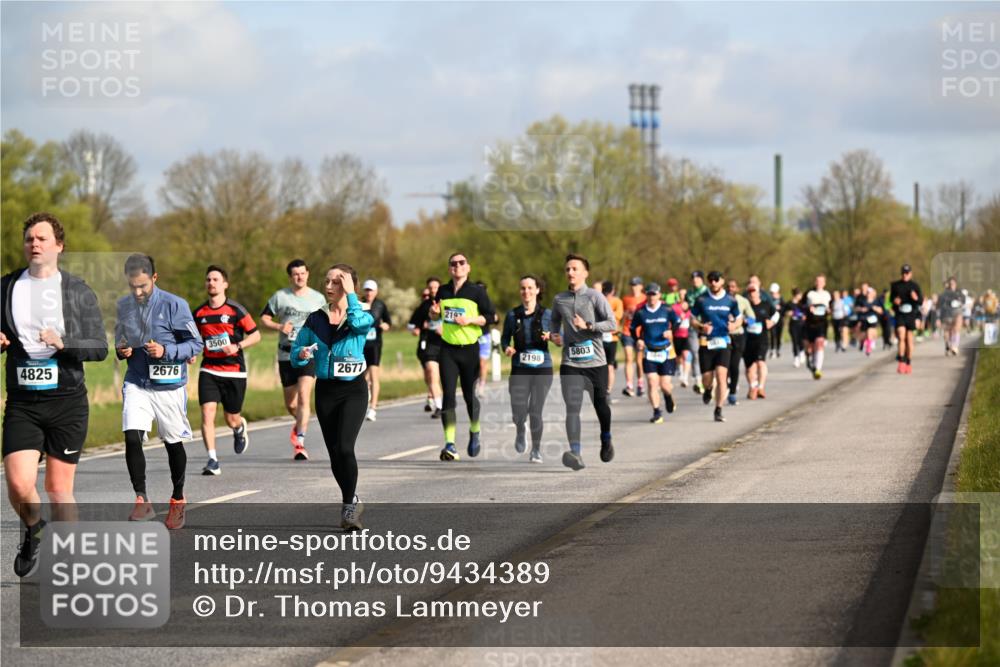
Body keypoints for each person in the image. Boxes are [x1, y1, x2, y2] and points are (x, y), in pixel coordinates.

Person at [2, 212, 108, 577]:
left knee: (59, 490)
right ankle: (35, 530)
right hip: (23, 402)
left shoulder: (76, 290)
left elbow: (99, 347)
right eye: (29, 238)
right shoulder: (7, 287)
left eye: (42, 239)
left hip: (66, 401)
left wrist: (65, 343)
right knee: (17, 483)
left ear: (59, 246)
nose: (34, 244)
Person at [115, 254, 204, 530]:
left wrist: (167, 351)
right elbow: (120, 340)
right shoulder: (123, 306)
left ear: (154, 278)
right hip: (137, 381)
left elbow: (196, 343)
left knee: (172, 442)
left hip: (169, 386)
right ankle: (141, 499)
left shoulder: (175, 305)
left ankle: (178, 498)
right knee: (131, 435)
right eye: (133, 286)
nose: (138, 292)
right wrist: (122, 349)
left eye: (143, 285)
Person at [290, 264, 373, 531]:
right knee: (335, 452)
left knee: (346, 447)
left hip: (353, 391)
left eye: (336, 282)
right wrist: (301, 353)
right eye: (327, 281)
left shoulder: (360, 315)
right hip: (326, 391)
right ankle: (351, 499)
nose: (328, 286)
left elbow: (361, 327)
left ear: (349, 286)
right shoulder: (315, 318)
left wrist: (351, 297)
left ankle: (349, 506)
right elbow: (295, 351)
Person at [191, 265, 261, 476]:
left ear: (225, 284)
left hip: (234, 371)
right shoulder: (199, 313)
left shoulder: (235, 310)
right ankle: (212, 459)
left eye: (215, 279)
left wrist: (237, 346)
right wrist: (192, 352)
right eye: (208, 280)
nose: (211, 283)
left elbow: (256, 335)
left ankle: (239, 428)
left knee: (231, 418)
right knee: (207, 413)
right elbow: (194, 339)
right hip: (209, 370)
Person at [550, 254, 616, 469]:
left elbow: (612, 324)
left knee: (601, 405)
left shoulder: (595, 297)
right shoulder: (560, 299)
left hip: (596, 362)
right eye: (567, 269)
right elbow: (554, 323)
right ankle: (575, 453)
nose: (570, 272)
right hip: (571, 362)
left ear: (585, 273)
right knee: (572, 408)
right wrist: (555, 336)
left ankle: (606, 438)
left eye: (575, 269)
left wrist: (589, 326)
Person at [431, 253, 495, 461]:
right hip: (448, 349)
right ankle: (450, 444)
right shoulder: (443, 290)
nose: (457, 266)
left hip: (470, 349)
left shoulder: (477, 291)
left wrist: (470, 320)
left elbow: (491, 317)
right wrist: (433, 313)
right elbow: (435, 315)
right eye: (453, 264)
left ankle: (474, 431)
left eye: (461, 263)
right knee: (448, 395)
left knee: (469, 396)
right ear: (449, 269)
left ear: (468, 267)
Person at [261, 259, 326, 460]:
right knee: (291, 404)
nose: (300, 277)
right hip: (286, 354)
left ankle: (300, 442)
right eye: (296, 274)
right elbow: (264, 318)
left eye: (303, 273)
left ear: (308, 274)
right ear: (290, 277)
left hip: (308, 354)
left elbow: (327, 322)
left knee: (305, 396)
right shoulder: (280, 297)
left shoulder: (318, 298)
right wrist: (280, 327)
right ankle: (298, 423)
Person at [501, 275, 554, 463]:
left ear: (538, 290)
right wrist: (507, 347)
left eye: (530, 288)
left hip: (543, 368)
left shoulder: (548, 315)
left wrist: (552, 337)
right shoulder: (512, 315)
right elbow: (504, 338)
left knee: (535, 410)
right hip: (520, 368)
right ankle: (520, 428)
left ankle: (536, 450)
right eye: (523, 288)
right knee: (518, 411)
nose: (526, 292)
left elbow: (559, 336)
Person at [691, 271, 742, 423]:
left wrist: (734, 325)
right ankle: (707, 389)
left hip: (724, 342)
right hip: (706, 343)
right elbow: (692, 319)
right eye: (710, 280)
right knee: (707, 379)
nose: (713, 282)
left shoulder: (730, 301)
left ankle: (718, 409)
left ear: (722, 281)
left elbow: (739, 318)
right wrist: (701, 327)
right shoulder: (702, 300)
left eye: (716, 280)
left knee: (721, 376)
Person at [630, 283, 680, 424]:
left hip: (666, 351)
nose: (652, 297)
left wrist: (671, 331)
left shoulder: (667, 309)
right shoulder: (641, 312)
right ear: (646, 295)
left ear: (659, 295)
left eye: (654, 294)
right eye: (649, 294)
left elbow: (677, 322)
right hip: (649, 351)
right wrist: (638, 339)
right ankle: (657, 412)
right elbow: (633, 328)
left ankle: (668, 396)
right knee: (652, 382)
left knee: (664, 385)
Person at [408, 277, 443, 418]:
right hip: (429, 345)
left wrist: (445, 329)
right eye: (431, 287)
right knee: (432, 373)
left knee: (443, 377)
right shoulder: (424, 306)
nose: (434, 290)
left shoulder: (448, 304)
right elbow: (411, 324)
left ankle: (443, 401)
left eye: (436, 287)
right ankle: (439, 406)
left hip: (446, 345)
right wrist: (416, 329)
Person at [360, 279, 392, 422]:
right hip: (360, 345)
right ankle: (363, 400)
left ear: (376, 291)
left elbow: (388, 322)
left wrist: (385, 325)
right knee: (361, 377)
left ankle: (372, 408)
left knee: (374, 375)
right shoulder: (358, 305)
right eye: (366, 290)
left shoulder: (380, 305)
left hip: (374, 345)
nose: (369, 293)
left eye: (371, 290)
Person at [743, 284, 776, 399]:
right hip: (747, 339)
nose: (752, 293)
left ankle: (761, 387)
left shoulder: (766, 305)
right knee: (749, 367)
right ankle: (753, 387)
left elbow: (776, 315)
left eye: (754, 291)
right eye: (750, 291)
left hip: (762, 339)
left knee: (760, 362)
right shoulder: (745, 306)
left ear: (759, 293)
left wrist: (771, 322)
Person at [725, 279, 753, 406]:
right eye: (729, 286)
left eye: (733, 286)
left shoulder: (743, 301)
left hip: (739, 336)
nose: (731, 288)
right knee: (724, 366)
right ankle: (727, 384)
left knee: (734, 365)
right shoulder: (721, 300)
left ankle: (732, 393)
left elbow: (752, 317)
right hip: (725, 336)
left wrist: (747, 321)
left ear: (737, 288)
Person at [890, 264, 923, 374]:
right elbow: (891, 300)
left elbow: (920, 302)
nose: (905, 275)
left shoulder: (915, 286)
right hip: (900, 314)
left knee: (909, 340)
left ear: (911, 273)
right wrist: (895, 301)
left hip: (911, 315)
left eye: (907, 273)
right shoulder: (895, 285)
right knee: (901, 335)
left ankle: (908, 362)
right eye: (903, 273)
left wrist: (916, 298)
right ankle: (901, 361)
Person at [620, 276, 646, 397]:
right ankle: (629, 385)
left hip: (640, 333)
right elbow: (621, 315)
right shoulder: (625, 299)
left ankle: (640, 384)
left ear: (641, 286)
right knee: (629, 358)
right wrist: (626, 314)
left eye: (636, 285)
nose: (634, 287)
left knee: (639, 360)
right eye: (632, 285)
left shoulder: (645, 298)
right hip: (627, 331)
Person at [802, 275, 832, 380]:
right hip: (810, 323)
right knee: (809, 348)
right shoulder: (809, 293)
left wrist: (829, 310)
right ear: (815, 282)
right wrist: (808, 308)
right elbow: (801, 305)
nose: (819, 283)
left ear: (824, 283)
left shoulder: (827, 294)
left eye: (821, 281)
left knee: (819, 343)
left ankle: (818, 369)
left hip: (822, 323)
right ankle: (809, 359)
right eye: (817, 281)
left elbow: (831, 306)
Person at [686, 270, 709, 393]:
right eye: (693, 279)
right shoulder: (689, 293)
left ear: (702, 280)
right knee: (695, 353)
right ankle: (698, 381)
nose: (695, 281)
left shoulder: (707, 292)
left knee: (706, 353)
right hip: (693, 326)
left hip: (706, 326)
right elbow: (685, 306)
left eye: (697, 279)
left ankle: (710, 379)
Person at [600, 280, 624, 396]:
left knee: (608, 365)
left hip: (612, 337)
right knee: (606, 365)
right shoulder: (601, 300)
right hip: (601, 337)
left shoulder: (615, 301)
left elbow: (618, 315)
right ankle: (606, 389)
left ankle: (607, 390)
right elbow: (617, 315)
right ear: (613, 290)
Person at [671, 288, 693, 387]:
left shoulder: (690, 307)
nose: (682, 296)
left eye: (684, 294)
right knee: (678, 357)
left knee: (686, 354)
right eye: (680, 294)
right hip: (676, 334)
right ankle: (680, 370)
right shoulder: (674, 307)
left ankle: (685, 377)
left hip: (687, 334)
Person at [855, 285, 884, 356]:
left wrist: (875, 308)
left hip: (872, 319)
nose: (868, 294)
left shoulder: (876, 301)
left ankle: (868, 348)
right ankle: (862, 342)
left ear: (873, 293)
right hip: (864, 319)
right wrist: (861, 309)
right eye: (868, 292)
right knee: (863, 335)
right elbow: (856, 308)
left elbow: (881, 310)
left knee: (869, 333)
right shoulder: (862, 301)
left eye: (870, 292)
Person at [939, 277, 964, 356]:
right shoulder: (945, 293)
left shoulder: (959, 292)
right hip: (947, 314)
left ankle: (954, 346)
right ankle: (947, 344)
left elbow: (964, 300)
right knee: (948, 331)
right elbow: (941, 304)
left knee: (956, 329)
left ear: (956, 284)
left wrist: (960, 301)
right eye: (950, 284)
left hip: (957, 312)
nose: (952, 285)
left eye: (953, 283)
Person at [788, 288, 806, 367]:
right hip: (793, 325)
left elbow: (806, 312)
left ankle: (802, 352)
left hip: (801, 325)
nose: (801, 296)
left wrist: (805, 316)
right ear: (796, 295)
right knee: (794, 341)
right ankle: (796, 358)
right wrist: (788, 313)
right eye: (800, 295)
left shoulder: (802, 304)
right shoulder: (789, 304)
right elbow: (783, 312)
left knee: (800, 340)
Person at [768, 283, 784, 359]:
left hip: (780, 320)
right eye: (771, 292)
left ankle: (778, 350)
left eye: (774, 292)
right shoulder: (769, 299)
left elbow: (785, 308)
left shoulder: (781, 299)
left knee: (778, 335)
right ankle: (772, 350)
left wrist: (780, 308)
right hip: (772, 320)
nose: (773, 294)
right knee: (772, 335)